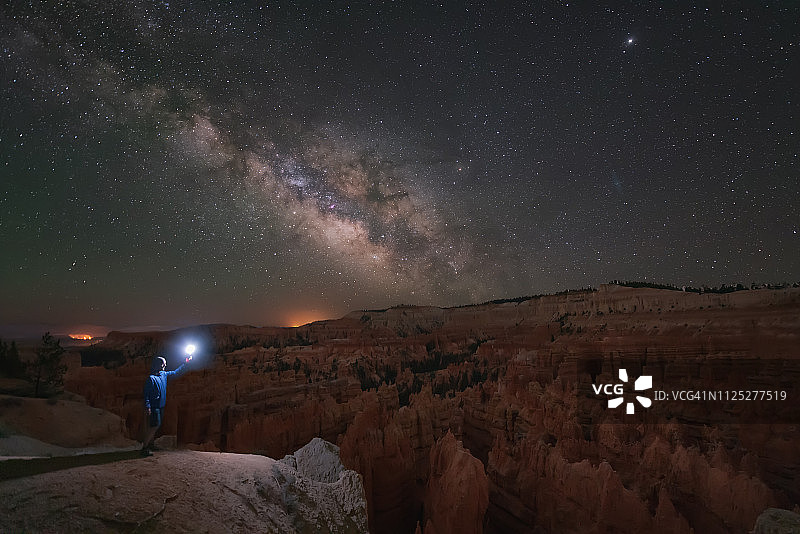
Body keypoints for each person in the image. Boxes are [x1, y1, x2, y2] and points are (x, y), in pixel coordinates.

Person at [141, 354, 192, 455]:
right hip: (154, 406)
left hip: (161, 405)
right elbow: (146, 394)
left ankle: (150, 445)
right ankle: (144, 447)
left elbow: (176, 373)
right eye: (164, 363)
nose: (165, 365)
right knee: (154, 426)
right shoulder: (151, 379)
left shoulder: (163, 375)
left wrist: (186, 363)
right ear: (159, 365)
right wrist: (148, 406)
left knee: (156, 425)